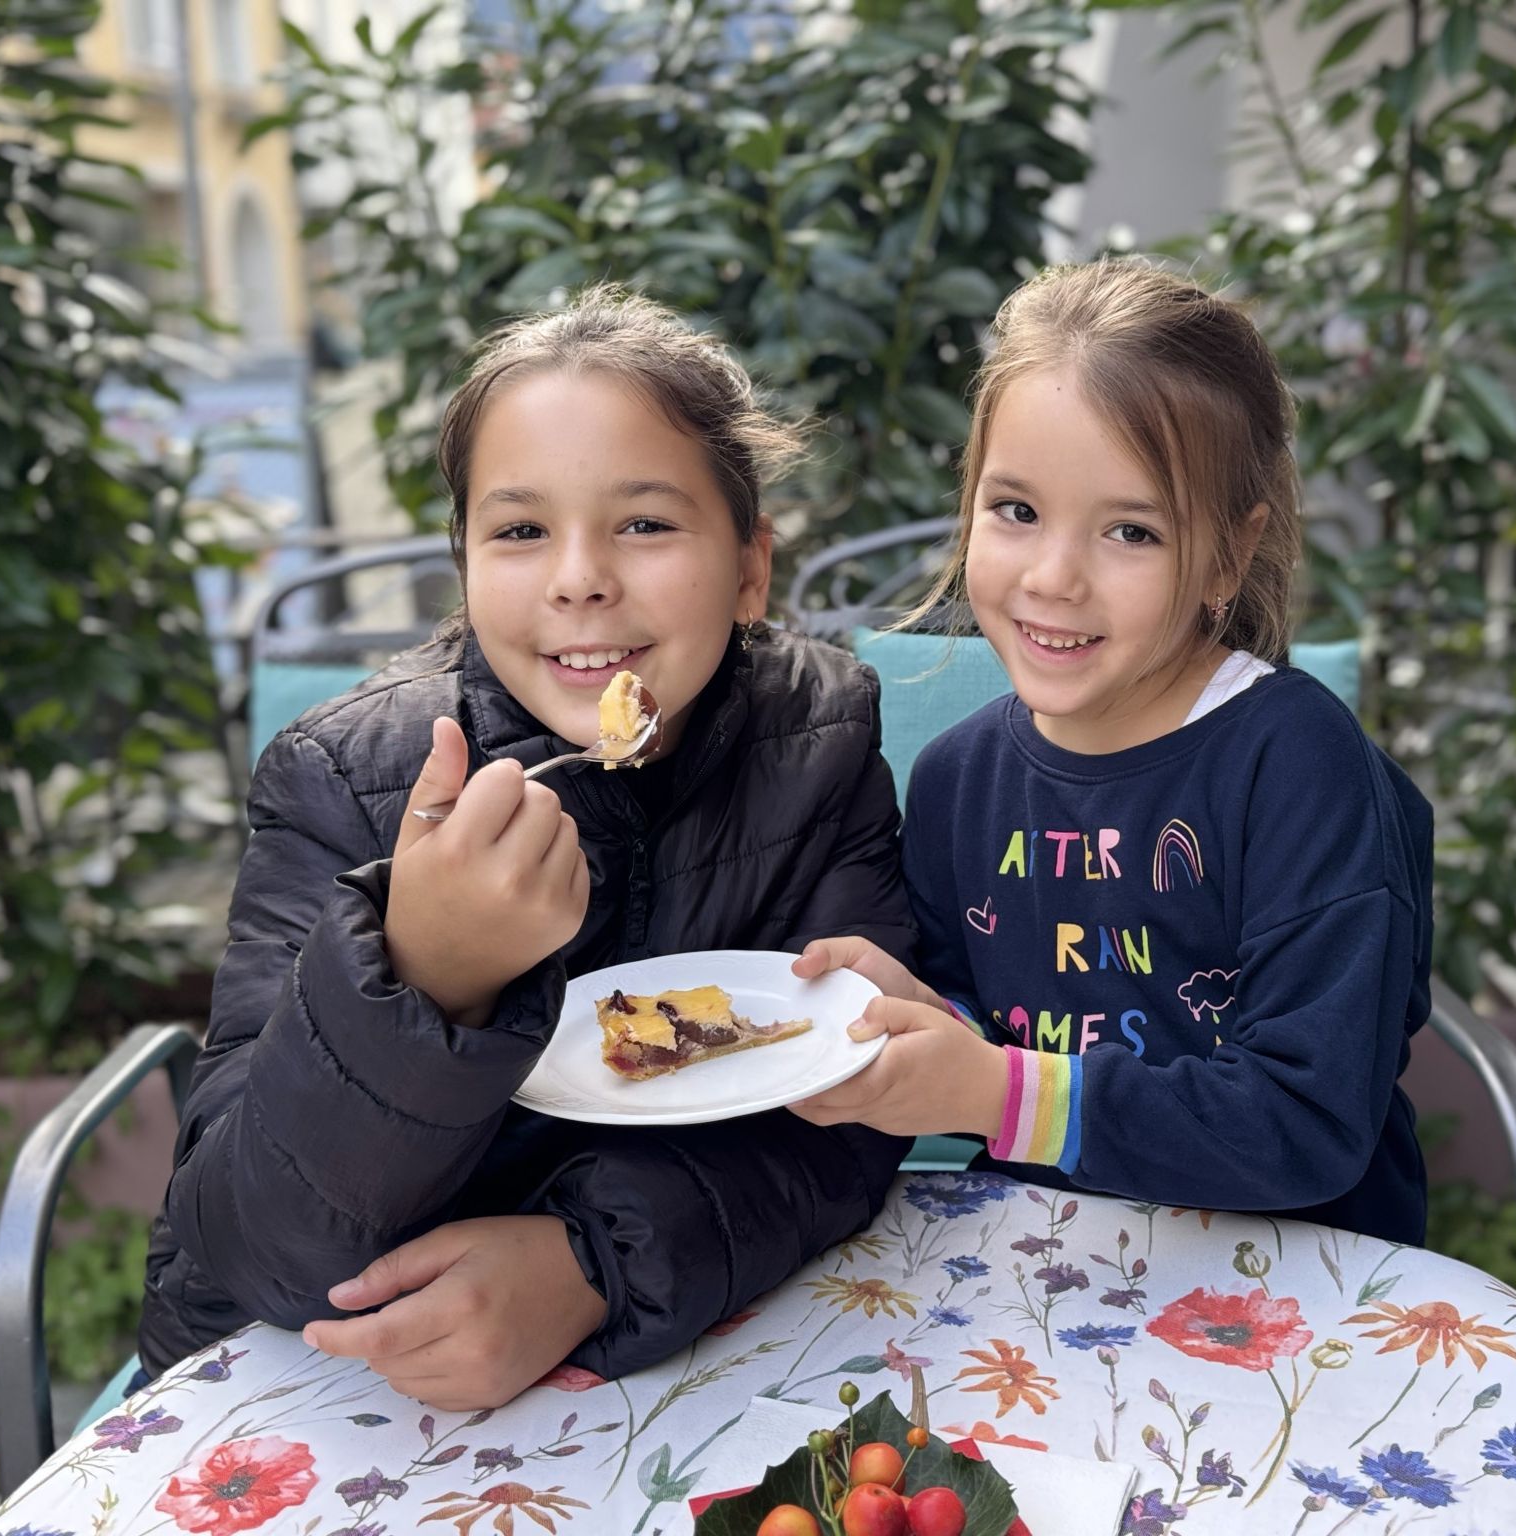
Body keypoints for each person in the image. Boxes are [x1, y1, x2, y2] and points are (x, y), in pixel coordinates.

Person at [139, 287, 915, 1409]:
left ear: (751, 567)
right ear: (461, 563)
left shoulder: (820, 738)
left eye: (645, 523)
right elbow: (254, 1244)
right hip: (326, 1377)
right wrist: (425, 969)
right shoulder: (345, 781)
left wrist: (592, 1265)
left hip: (684, 1354)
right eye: (518, 531)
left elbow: (844, 1121)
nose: (578, 578)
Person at [792, 260, 1433, 1243]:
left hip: (1298, 1285)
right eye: (1014, 511)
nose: (1054, 578)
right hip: (1045, 1266)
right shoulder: (957, 779)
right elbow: (986, 1033)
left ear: (1225, 554)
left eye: (1130, 531)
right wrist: (915, 1019)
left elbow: (1309, 1122)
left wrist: (1003, 1093)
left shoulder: (1297, 766)